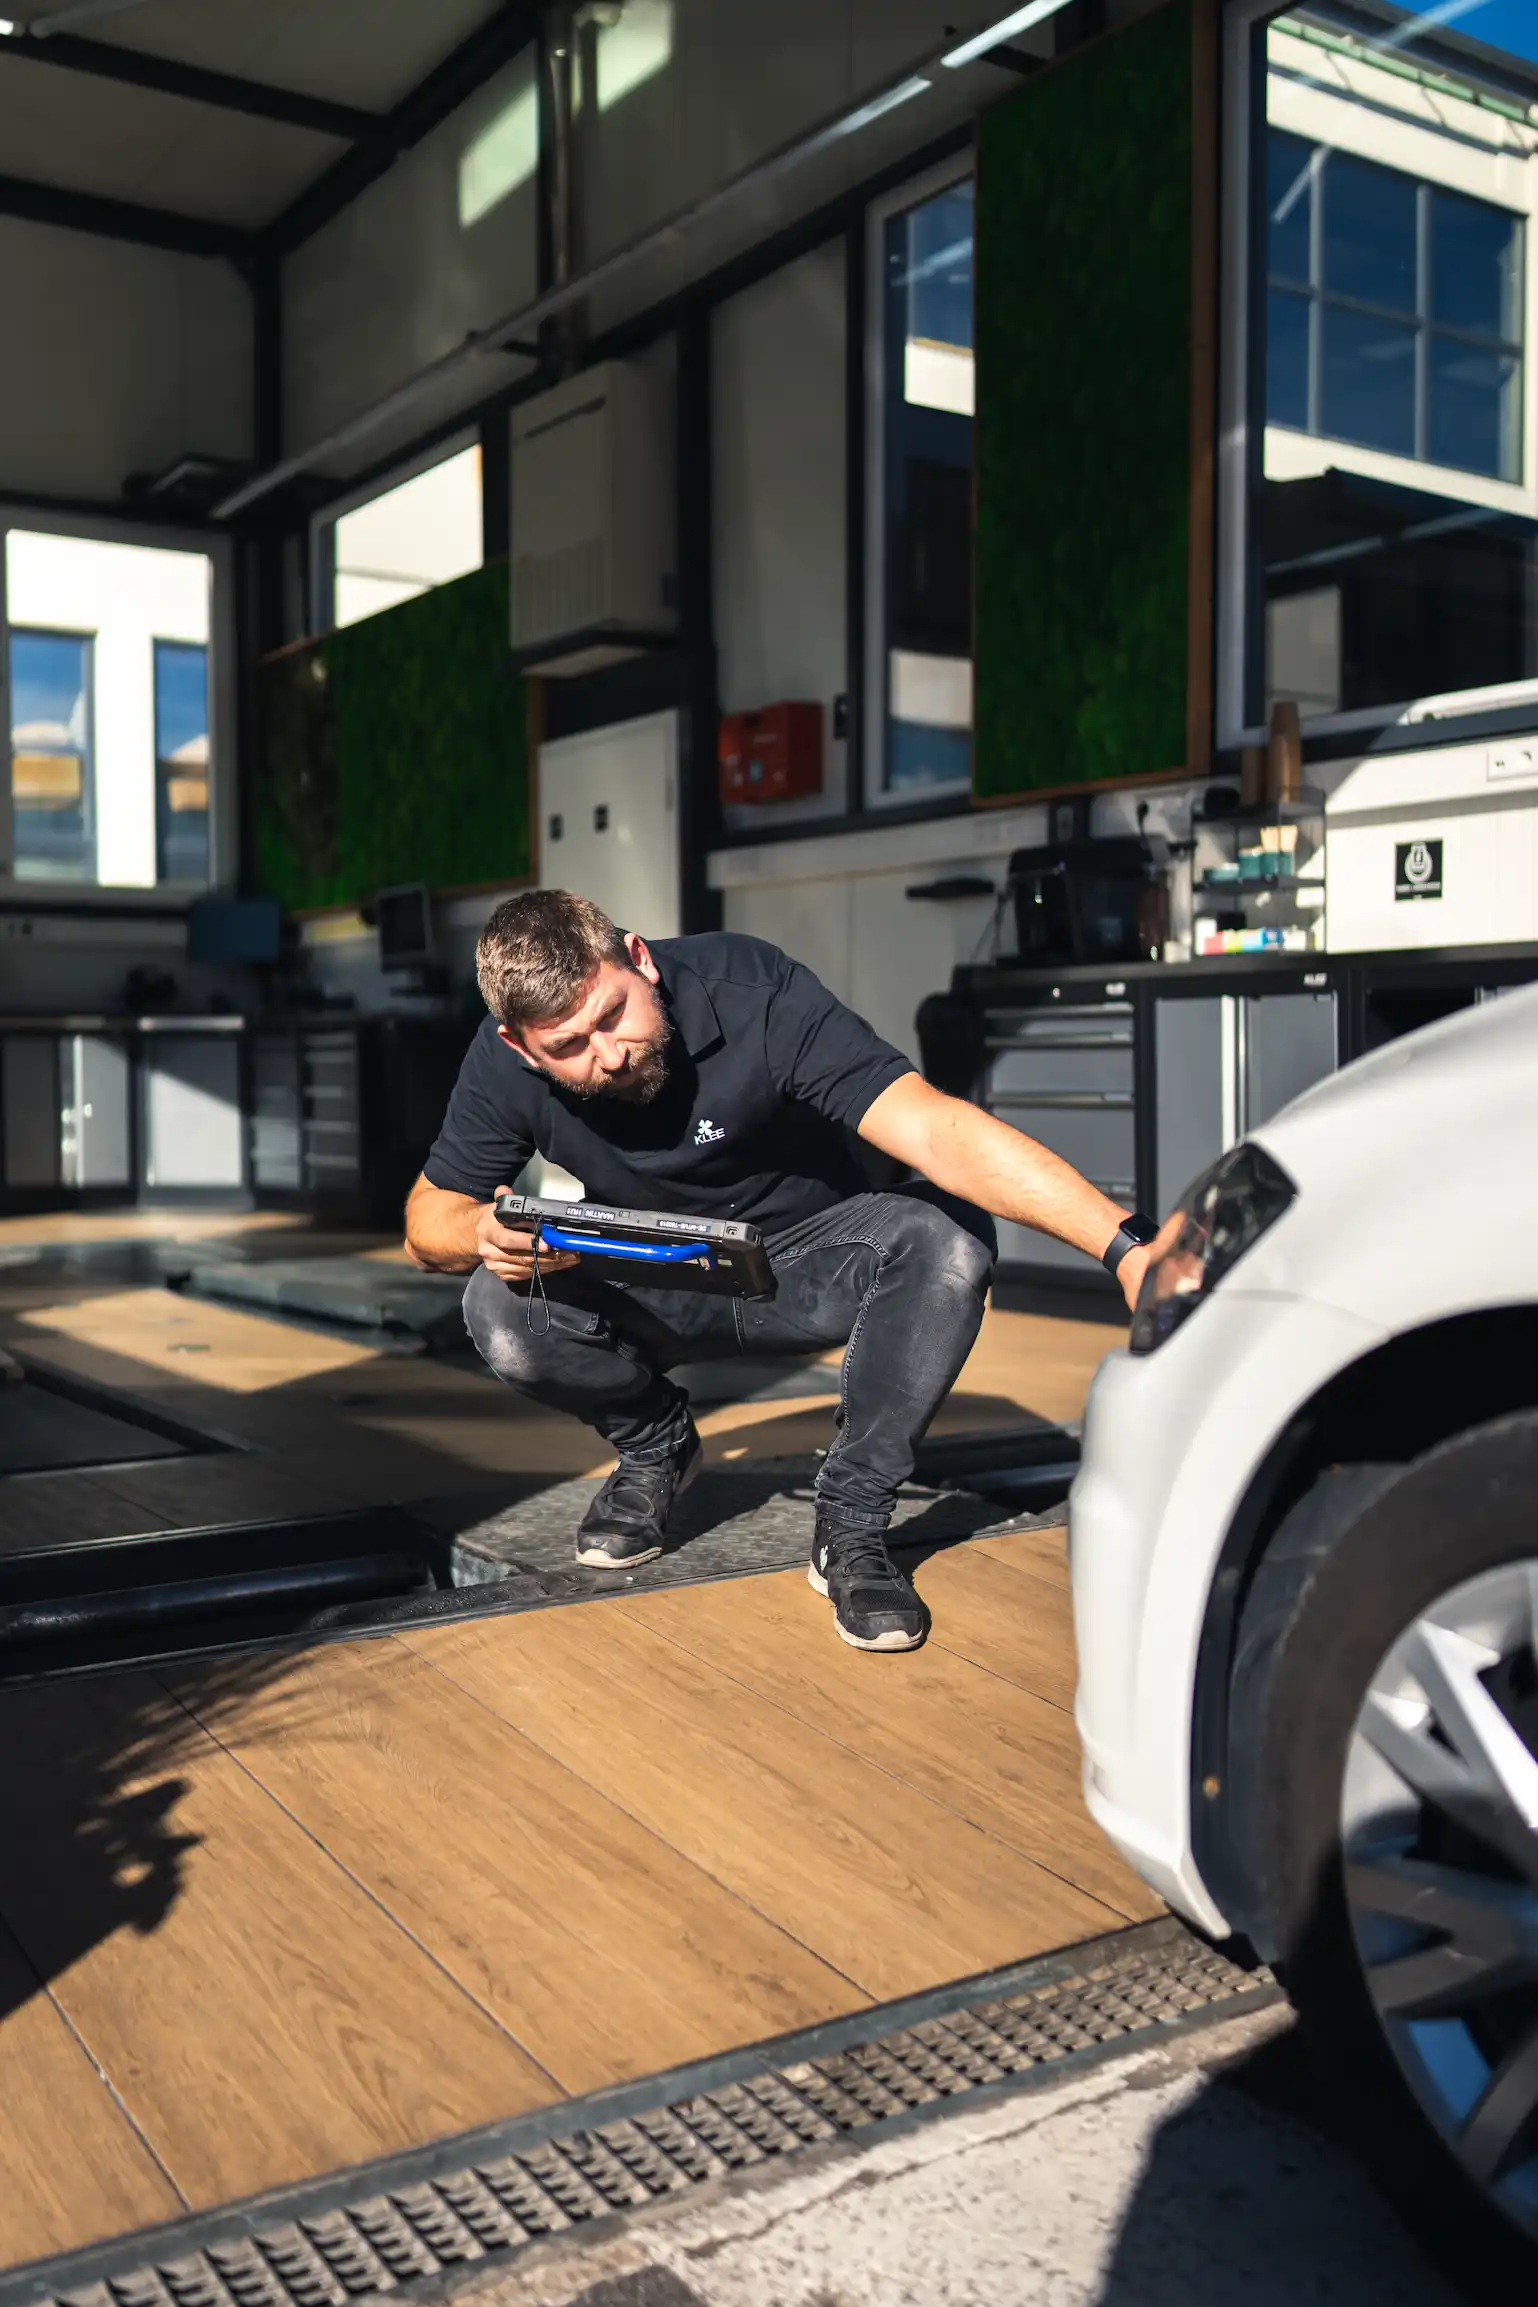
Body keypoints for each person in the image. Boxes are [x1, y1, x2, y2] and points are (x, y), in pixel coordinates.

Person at [405, 890, 1159, 1653]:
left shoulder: (753, 989)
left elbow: (934, 1130)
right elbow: (425, 1222)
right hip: (655, 1273)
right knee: (498, 1308)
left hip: (807, 1260)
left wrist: (1125, 1246)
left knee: (947, 1235)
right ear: (519, 1045)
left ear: (639, 959)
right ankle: (658, 1443)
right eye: (568, 1045)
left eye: (612, 1015)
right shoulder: (501, 1065)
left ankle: (853, 1522)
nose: (606, 1053)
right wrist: (478, 1230)